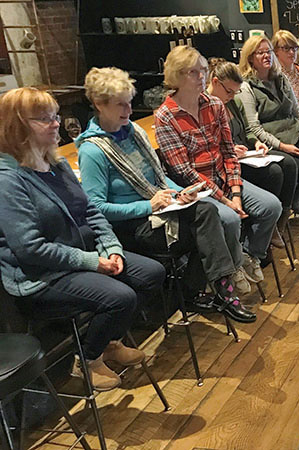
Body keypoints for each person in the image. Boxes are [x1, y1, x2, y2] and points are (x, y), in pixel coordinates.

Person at [0, 87, 166, 391]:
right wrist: (93, 261)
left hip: (85, 255)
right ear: (17, 127)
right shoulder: (8, 181)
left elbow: (90, 211)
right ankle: (87, 358)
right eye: (44, 119)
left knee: (152, 274)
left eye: (55, 116)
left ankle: (107, 342)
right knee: (120, 297)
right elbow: (30, 248)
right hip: (43, 275)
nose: (56, 124)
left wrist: (111, 248)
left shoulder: (57, 164)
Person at [76, 67, 256, 324]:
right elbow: (96, 209)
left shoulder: (133, 133)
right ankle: (215, 292)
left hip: (160, 210)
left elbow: (158, 176)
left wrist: (179, 192)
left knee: (208, 214)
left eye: (129, 103)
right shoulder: (93, 150)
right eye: (120, 105)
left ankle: (199, 293)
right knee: (209, 223)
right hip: (134, 225)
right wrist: (147, 206)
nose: (128, 111)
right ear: (99, 105)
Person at [155, 45, 282, 287]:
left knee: (271, 206)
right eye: (193, 72)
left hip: (224, 179)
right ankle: (232, 270)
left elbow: (228, 152)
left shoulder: (214, 105)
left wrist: (234, 192)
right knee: (231, 219)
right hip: (197, 192)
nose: (201, 77)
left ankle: (248, 254)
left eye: (203, 70)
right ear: (177, 76)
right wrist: (225, 200)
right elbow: (183, 171)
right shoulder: (166, 116)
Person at [236, 35, 299, 208]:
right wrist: (282, 146)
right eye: (260, 53)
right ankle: (290, 203)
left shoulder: (281, 78)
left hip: (293, 134)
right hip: (272, 141)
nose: (266, 56)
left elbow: (298, 112)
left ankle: (297, 192)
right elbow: (254, 127)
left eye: (268, 52)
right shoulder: (246, 86)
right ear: (250, 57)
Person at [207, 58, 297, 245]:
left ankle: (279, 223)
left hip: (246, 153)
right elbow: (214, 146)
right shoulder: (208, 108)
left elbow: (248, 130)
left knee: (289, 164)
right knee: (274, 173)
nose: (232, 96)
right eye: (229, 91)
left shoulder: (233, 103)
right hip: (232, 161)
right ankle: (263, 227)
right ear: (215, 82)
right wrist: (232, 151)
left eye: (235, 92)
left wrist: (256, 143)